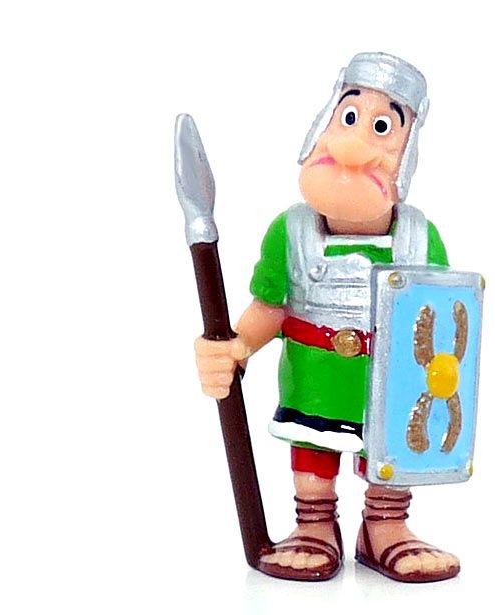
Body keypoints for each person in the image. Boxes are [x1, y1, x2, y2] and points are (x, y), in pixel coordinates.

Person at [194, 52, 460, 583]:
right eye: (350, 117)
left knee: (388, 453)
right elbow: (270, 309)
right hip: (314, 382)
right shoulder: (290, 232)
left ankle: (384, 526)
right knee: (313, 453)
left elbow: (439, 323)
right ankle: (314, 526)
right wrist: (235, 347)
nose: (353, 145)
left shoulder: (418, 237)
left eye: (382, 128)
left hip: (389, 387)